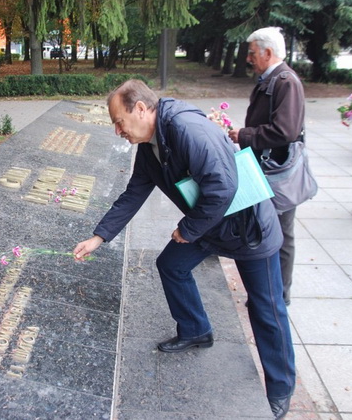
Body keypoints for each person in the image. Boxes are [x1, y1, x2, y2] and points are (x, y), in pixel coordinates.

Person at [73, 79, 295, 419]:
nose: (117, 130)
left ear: (142, 109)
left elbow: (223, 188)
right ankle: (196, 330)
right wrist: (99, 237)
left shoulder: (188, 129)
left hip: (248, 227)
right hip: (210, 222)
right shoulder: (149, 146)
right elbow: (133, 194)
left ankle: (280, 389)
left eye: (119, 121)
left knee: (267, 309)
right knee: (171, 265)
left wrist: (188, 230)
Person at [228, 26, 306, 306]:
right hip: (266, 167)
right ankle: (267, 291)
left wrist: (245, 135)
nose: (248, 59)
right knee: (265, 227)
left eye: (252, 53)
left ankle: (279, 297)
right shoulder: (271, 79)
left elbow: (285, 131)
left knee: (281, 234)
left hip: (279, 172)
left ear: (268, 53)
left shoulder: (286, 81)